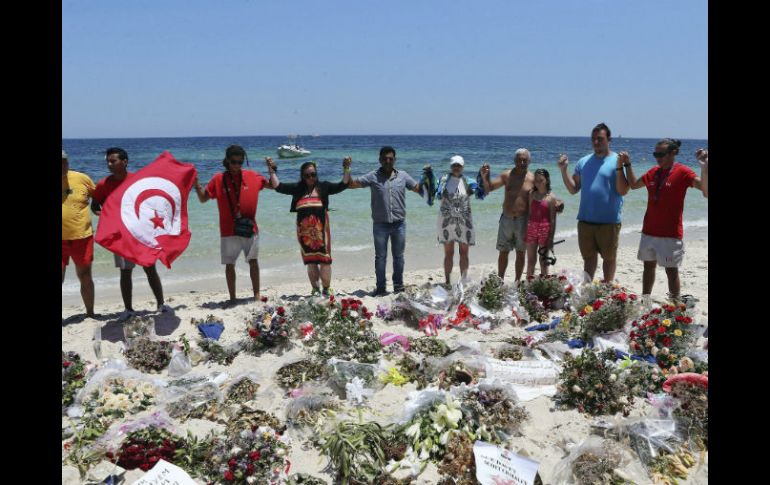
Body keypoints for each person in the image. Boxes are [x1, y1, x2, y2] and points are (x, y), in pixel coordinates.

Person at [615, 139, 708, 305]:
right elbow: (635, 185)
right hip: (648, 231)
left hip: (671, 233)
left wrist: (704, 168)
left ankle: (675, 304)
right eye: (655, 154)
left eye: (661, 154)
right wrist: (627, 165)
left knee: (671, 271)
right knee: (648, 267)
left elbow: (705, 190)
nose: (657, 157)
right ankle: (645, 301)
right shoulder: (654, 171)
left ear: (673, 153)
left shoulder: (684, 172)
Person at [91, 147, 167, 318]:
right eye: (108, 161)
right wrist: (108, 218)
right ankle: (128, 310)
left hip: (141, 234)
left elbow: (151, 201)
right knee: (125, 272)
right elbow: (95, 207)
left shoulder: (137, 180)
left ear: (124, 162)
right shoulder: (104, 184)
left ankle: (161, 304)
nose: (109, 164)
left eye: (113, 161)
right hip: (120, 237)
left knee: (149, 267)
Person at [192, 145, 272, 304]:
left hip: (250, 228)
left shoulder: (253, 176)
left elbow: (273, 185)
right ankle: (233, 298)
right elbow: (202, 199)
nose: (236, 165)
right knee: (230, 265)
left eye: (240, 162)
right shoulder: (218, 179)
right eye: (233, 162)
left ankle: (256, 294)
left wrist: (271, 169)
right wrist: (196, 184)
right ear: (227, 160)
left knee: (253, 262)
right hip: (228, 231)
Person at [265, 156, 351, 296]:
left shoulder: (324, 187)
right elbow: (278, 187)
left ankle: (326, 288)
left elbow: (343, 185)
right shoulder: (298, 189)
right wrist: (271, 170)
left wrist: (346, 168)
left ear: (317, 174)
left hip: (321, 232)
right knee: (310, 261)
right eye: (307, 175)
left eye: (313, 174)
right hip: (304, 233)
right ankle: (315, 289)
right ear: (303, 176)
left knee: (325, 260)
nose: (311, 177)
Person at [347, 146, 421, 296]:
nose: (388, 161)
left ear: (395, 160)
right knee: (380, 258)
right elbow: (351, 185)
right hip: (380, 224)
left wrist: (432, 181)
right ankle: (381, 288)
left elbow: (418, 189)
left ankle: (398, 286)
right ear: (380, 160)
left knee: (399, 257)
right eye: (385, 158)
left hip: (399, 224)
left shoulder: (403, 176)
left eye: (391, 158)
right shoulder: (372, 176)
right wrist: (347, 168)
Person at [558, 122, 625, 282]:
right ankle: (587, 288)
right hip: (586, 220)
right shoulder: (583, 162)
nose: (596, 142)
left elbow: (623, 190)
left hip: (609, 221)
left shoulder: (618, 161)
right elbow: (574, 189)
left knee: (609, 258)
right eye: (593, 139)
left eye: (600, 139)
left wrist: (623, 166)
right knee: (588, 259)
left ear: (609, 140)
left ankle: (608, 287)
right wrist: (563, 170)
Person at [480, 148, 535, 283]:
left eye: (525, 160)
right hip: (506, 219)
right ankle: (500, 280)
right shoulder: (507, 175)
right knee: (503, 252)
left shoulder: (533, 179)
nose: (522, 162)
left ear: (529, 161)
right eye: (519, 159)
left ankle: (517, 281)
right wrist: (485, 176)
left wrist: (556, 203)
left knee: (520, 253)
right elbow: (489, 188)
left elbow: (544, 193)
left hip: (523, 220)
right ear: (514, 160)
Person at [62, 149, 97, 318]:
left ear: (67, 162)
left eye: (64, 161)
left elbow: (100, 197)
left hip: (82, 237)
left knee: (85, 276)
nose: (62, 165)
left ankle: (90, 314)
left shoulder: (82, 179)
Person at [434, 155, 479, 286]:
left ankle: (463, 281)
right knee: (449, 253)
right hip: (446, 221)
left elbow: (481, 190)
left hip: (464, 222)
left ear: (463, 166)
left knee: (464, 253)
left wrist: (484, 174)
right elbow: (434, 194)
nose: (456, 167)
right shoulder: (442, 181)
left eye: (459, 165)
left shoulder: (468, 181)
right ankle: (447, 281)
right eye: (454, 165)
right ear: (450, 166)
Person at [525, 169, 559, 278]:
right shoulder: (531, 194)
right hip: (531, 228)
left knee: (543, 260)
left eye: (541, 180)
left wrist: (551, 238)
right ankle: (528, 284)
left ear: (547, 180)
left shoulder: (551, 197)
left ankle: (544, 285)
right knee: (531, 260)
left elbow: (553, 220)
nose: (538, 183)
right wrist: (526, 230)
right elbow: (529, 213)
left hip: (545, 230)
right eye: (536, 181)